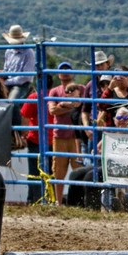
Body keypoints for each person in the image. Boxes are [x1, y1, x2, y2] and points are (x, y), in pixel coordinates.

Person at [46, 65, 84, 203]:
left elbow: (81, 105)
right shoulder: (55, 91)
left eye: (68, 70)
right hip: (60, 135)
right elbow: (52, 110)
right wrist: (72, 105)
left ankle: (79, 201)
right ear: (58, 74)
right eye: (62, 70)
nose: (65, 73)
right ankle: (58, 201)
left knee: (79, 169)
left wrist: (63, 105)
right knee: (58, 171)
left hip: (76, 135)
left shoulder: (81, 88)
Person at [1, 23, 36, 102]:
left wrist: (6, 82)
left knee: (12, 102)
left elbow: (25, 77)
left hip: (21, 85)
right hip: (8, 82)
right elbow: (6, 69)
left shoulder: (29, 52)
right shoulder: (8, 51)